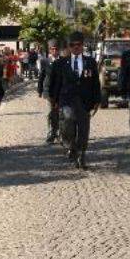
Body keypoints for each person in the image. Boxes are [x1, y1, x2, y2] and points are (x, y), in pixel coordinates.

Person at [48, 32, 101, 169]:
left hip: (84, 101)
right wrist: (53, 100)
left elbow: (95, 82)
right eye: (73, 45)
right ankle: (70, 145)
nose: (76, 47)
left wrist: (97, 100)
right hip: (66, 100)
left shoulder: (90, 62)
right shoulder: (60, 64)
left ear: (83, 46)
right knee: (68, 121)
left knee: (83, 129)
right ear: (69, 46)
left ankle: (81, 155)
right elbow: (55, 83)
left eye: (79, 45)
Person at [38, 39, 61, 143]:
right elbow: (42, 76)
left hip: (61, 91)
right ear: (50, 50)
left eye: (56, 49)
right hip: (49, 91)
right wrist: (40, 90)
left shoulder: (63, 61)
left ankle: (60, 132)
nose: (55, 51)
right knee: (51, 112)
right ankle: (51, 132)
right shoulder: (45, 61)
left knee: (60, 113)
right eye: (52, 49)